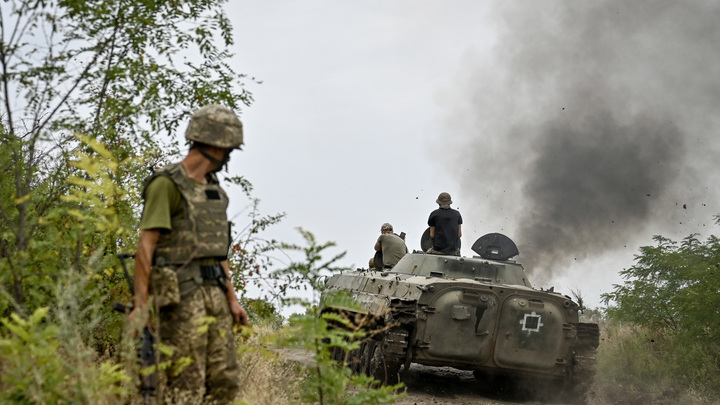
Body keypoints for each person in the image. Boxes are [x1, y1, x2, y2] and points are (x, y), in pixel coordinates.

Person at [129, 104, 248, 404]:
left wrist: (232, 299)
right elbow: (145, 247)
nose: (229, 156)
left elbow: (219, 250)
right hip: (181, 296)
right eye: (228, 148)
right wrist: (140, 306)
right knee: (185, 382)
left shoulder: (215, 191)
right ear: (214, 144)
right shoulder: (167, 185)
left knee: (226, 380)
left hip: (215, 295)